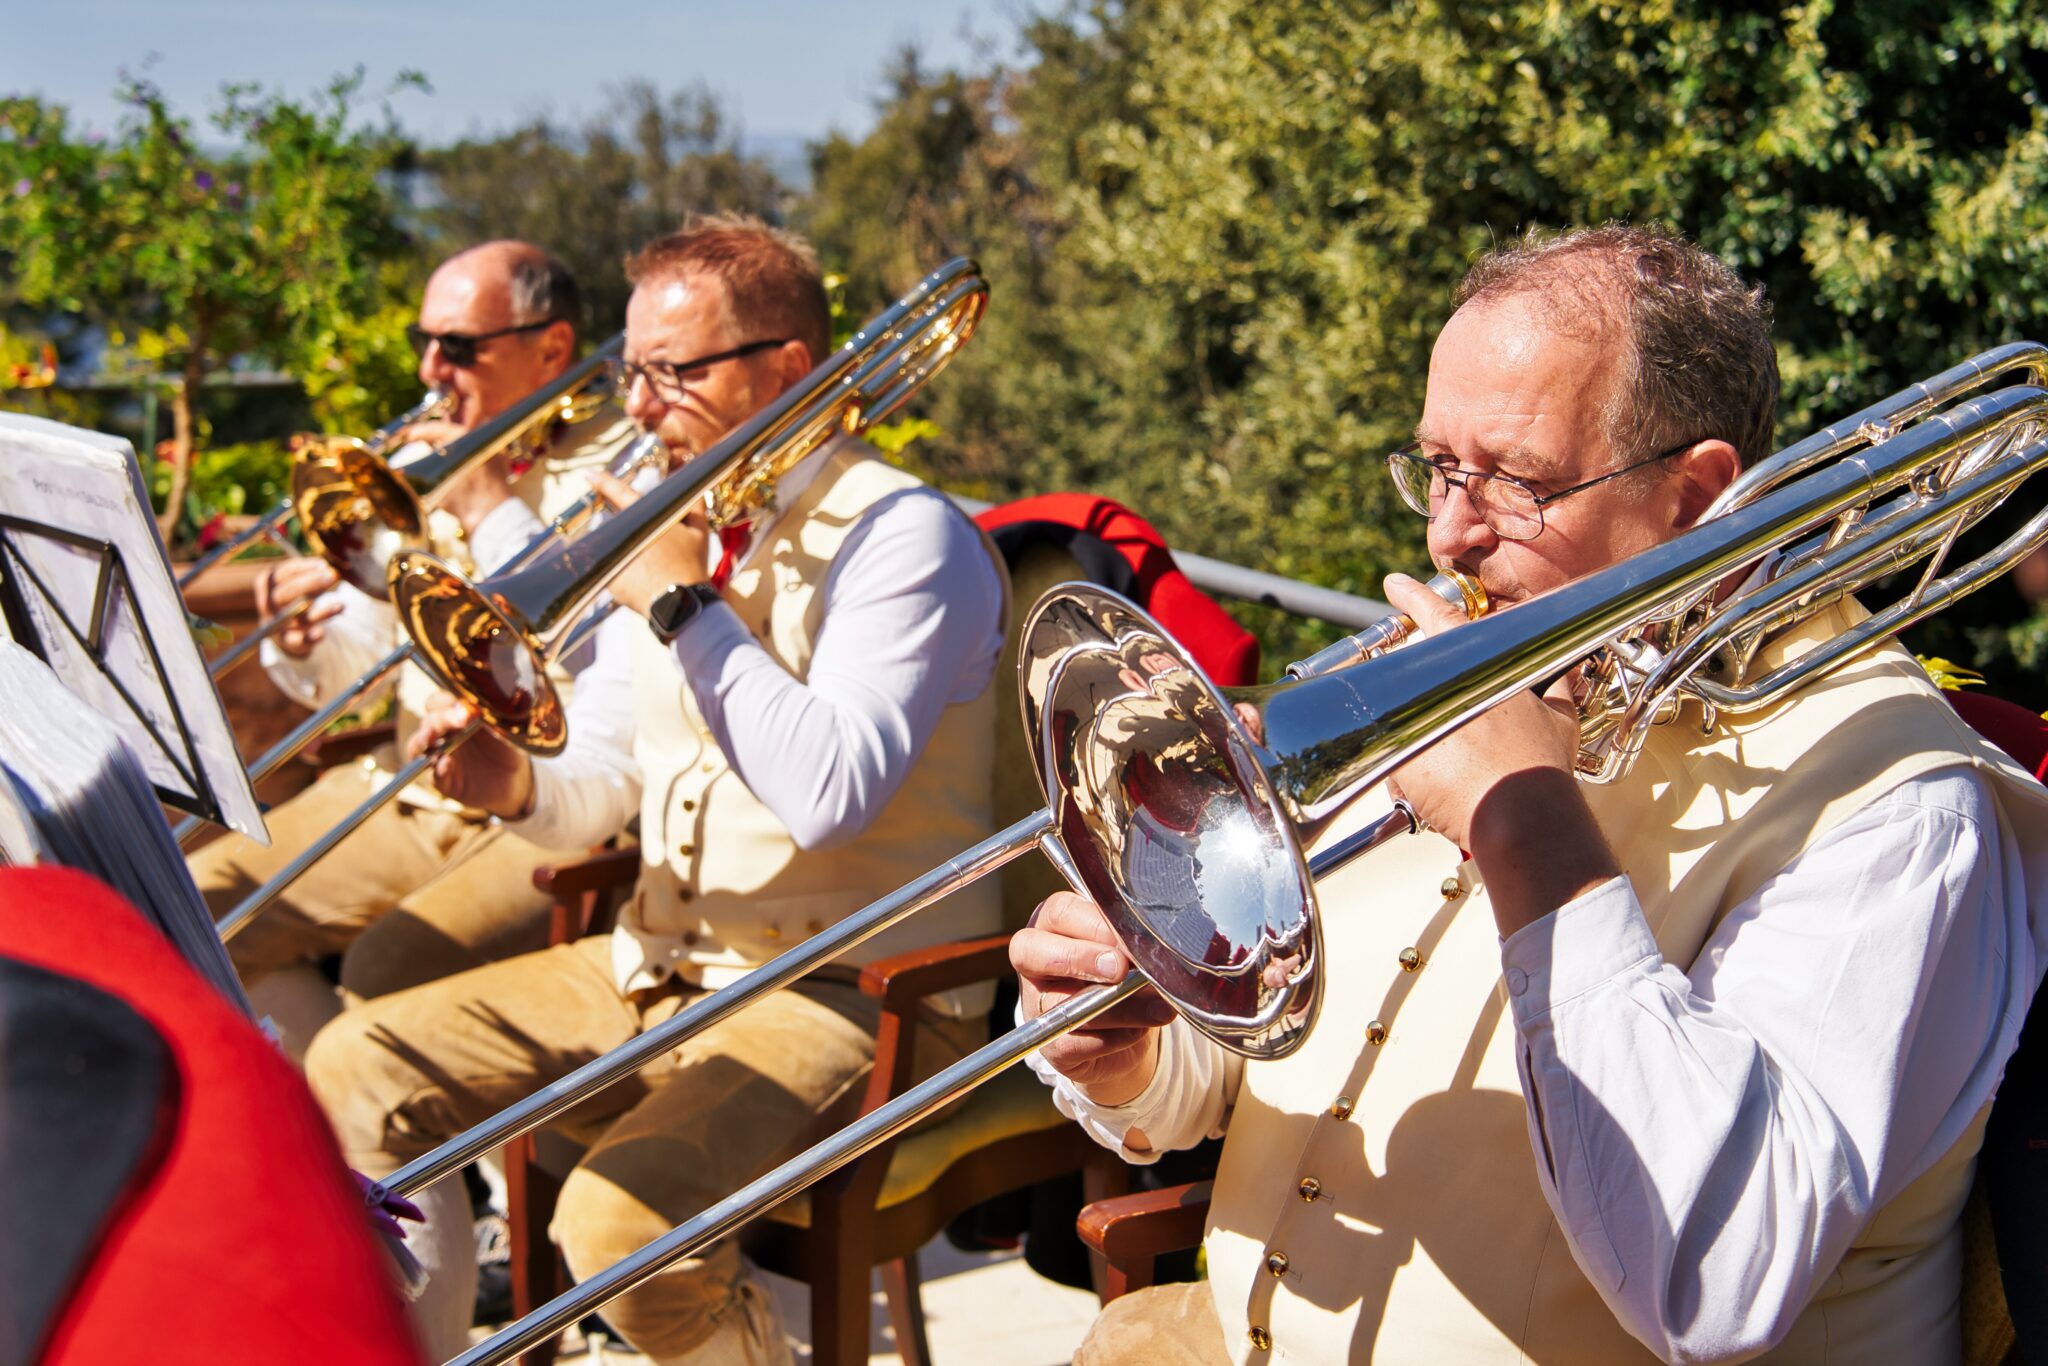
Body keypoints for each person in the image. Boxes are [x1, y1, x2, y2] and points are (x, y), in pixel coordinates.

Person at [1014, 223, 2048, 1364]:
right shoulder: (1470, 668)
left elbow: (1711, 1280)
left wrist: (1522, 819)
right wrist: (1129, 1048)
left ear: (1694, 497)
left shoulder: (1898, 803)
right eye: (1437, 467)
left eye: (1514, 482)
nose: (1447, 535)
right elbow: (1230, 1071)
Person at [304, 215, 1008, 1363]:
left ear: (786, 367)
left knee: (615, 1224)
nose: (635, 408)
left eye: (671, 373)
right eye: (632, 372)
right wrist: (512, 784)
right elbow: (605, 784)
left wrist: (686, 609)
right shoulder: (686, 522)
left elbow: (830, 790)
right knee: (353, 1064)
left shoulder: (903, 535)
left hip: (856, 992)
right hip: (663, 962)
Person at [188, 241, 634, 1047]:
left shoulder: (624, 464)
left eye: (458, 346)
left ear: (553, 349)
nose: (431, 368)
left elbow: (607, 656)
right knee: (193, 907)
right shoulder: (421, 458)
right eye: (423, 342)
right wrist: (306, 643)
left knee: (383, 971)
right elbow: (355, 667)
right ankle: (308, 1104)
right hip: (407, 781)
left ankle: (356, 1114)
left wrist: (490, 507)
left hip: (538, 801)